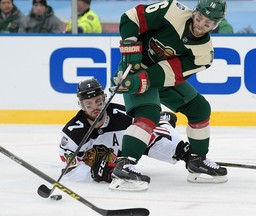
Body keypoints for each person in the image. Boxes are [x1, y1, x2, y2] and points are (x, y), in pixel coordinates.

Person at [110, 0, 228, 190]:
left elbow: (169, 73)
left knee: (199, 108)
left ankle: (197, 161)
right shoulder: (172, 10)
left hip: (159, 77)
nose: (200, 25)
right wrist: (130, 46)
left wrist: (140, 81)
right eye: (199, 18)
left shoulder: (204, 54)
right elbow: (131, 18)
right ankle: (124, 165)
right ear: (194, 12)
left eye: (207, 24)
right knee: (148, 114)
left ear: (215, 25)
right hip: (134, 66)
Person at [59, 78, 190, 190]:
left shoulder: (123, 116)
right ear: (82, 106)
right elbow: (70, 171)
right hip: (112, 157)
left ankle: (162, 120)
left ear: (104, 99)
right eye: (89, 104)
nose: (95, 107)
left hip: (129, 144)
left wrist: (178, 151)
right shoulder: (72, 133)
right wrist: (94, 172)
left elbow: (150, 140)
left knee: (169, 136)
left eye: (98, 102)